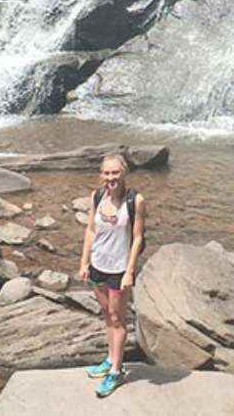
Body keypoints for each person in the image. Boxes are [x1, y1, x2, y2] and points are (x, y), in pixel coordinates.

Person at [77, 154, 146, 398]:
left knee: (118, 318)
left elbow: (137, 238)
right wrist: (84, 261)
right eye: (106, 173)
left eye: (115, 173)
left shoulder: (135, 201)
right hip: (98, 265)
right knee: (107, 315)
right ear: (101, 174)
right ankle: (110, 359)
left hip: (118, 269)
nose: (110, 178)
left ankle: (116, 371)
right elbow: (91, 229)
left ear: (124, 173)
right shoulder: (97, 196)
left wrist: (130, 271)